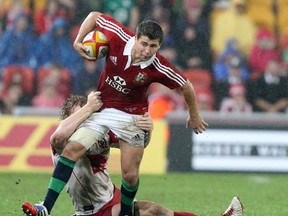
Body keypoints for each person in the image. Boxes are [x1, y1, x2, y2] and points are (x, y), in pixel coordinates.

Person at [23, 11, 208, 216]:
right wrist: (78, 41)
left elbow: (186, 86)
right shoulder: (117, 35)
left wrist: (195, 115)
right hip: (102, 109)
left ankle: (126, 213)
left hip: (132, 117)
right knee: (72, 147)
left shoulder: (159, 66)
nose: (147, 50)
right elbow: (93, 16)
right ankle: (45, 207)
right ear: (135, 38)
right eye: (144, 44)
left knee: (129, 175)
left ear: (159, 46)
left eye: (153, 46)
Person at [22, 92, 243, 216]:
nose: (86, 119)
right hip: (92, 210)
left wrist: (147, 129)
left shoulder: (100, 133)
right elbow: (57, 138)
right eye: (79, 115)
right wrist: (88, 108)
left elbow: (137, 145)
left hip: (110, 198)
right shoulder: (65, 140)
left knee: (156, 211)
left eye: (89, 114)